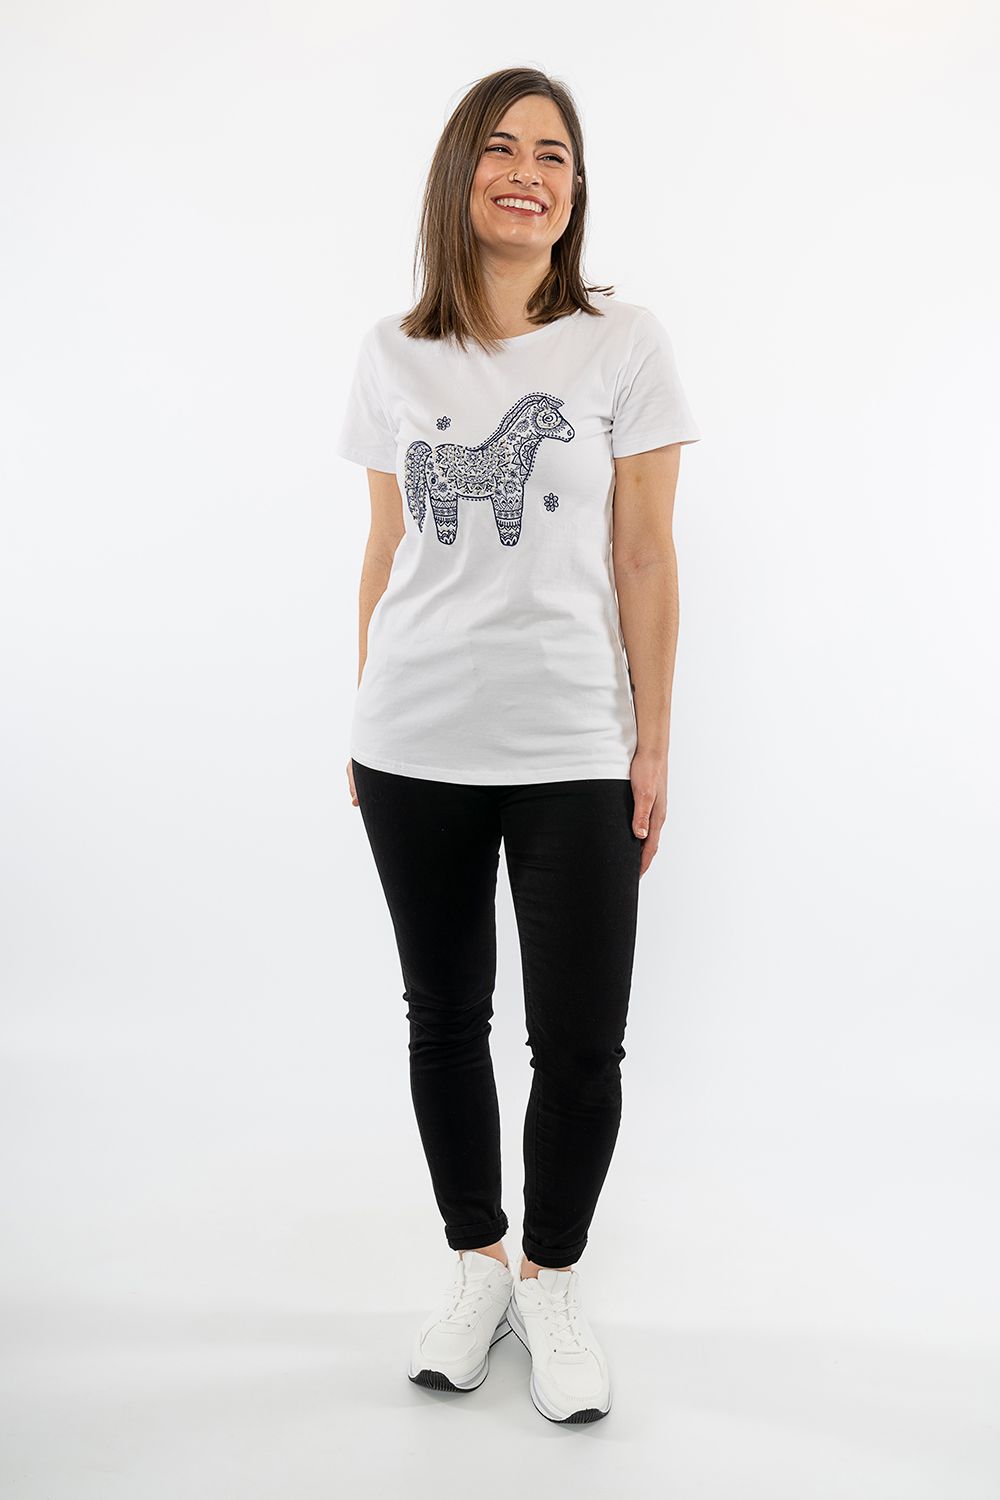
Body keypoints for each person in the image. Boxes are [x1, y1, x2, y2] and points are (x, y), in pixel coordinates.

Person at [335, 66, 701, 1424]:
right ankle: (477, 1265)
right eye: (502, 149)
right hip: (415, 737)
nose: (529, 174)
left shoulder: (623, 342)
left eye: (554, 154)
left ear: (576, 186)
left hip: (573, 745)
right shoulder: (394, 351)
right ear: (461, 173)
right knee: (445, 1020)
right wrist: (362, 713)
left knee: (582, 1044)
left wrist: (651, 743)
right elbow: (385, 548)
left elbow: (647, 554)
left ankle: (552, 1277)